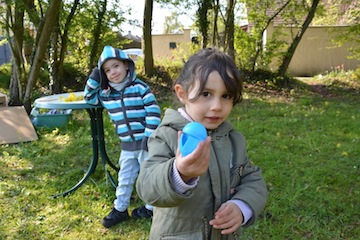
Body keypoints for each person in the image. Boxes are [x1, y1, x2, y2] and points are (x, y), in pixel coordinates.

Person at [136, 48, 268, 239]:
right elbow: (147, 187)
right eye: (206, 94)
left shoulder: (233, 139)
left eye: (226, 96)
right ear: (182, 93)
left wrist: (242, 206)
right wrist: (179, 173)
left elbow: (251, 179)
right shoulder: (167, 135)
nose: (217, 106)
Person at [84, 45, 161, 228]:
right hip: (127, 145)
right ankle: (120, 209)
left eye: (116, 66)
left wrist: (148, 137)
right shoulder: (107, 94)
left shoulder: (140, 88)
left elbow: (154, 112)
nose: (113, 72)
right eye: (107, 70)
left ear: (127, 65)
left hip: (146, 143)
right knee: (124, 178)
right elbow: (89, 97)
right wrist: (96, 75)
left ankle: (151, 208)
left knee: (148, 176)